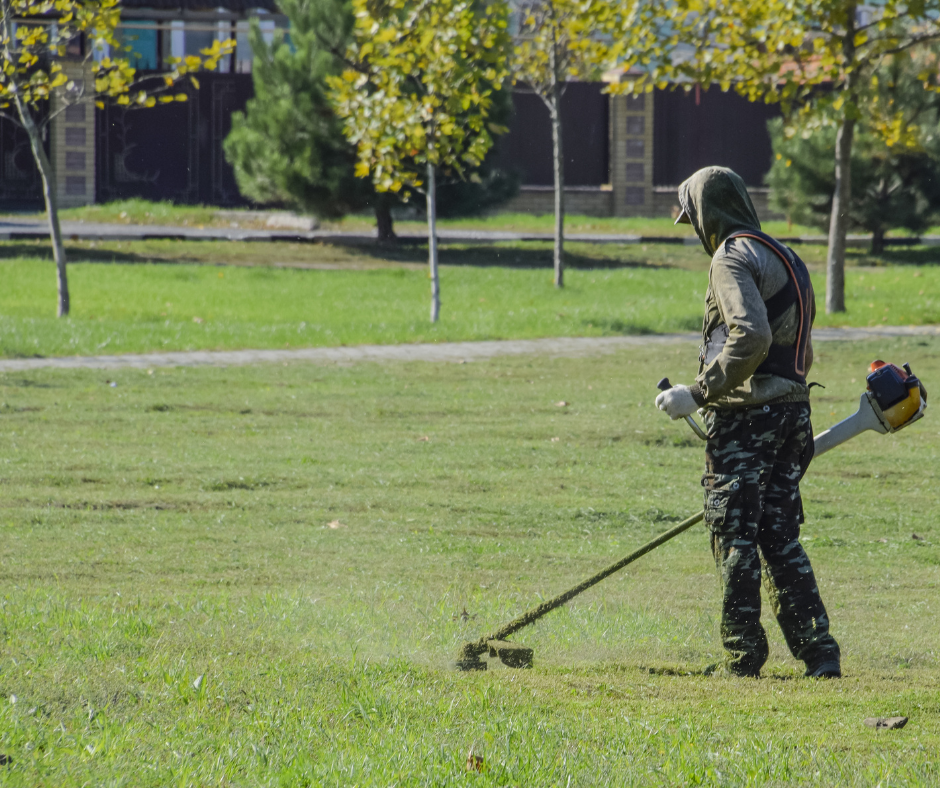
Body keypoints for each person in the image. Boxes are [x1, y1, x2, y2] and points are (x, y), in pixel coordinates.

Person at [654, 166, 841, 679]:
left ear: (706, 215)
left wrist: (695, 393)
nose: (694, 230)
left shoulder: (730, 257)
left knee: (733, 532)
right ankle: (819, 653)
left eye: (692, 218)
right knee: (779, 535)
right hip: (793, 414)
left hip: (747, 420)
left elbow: (752, 336)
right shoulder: (785, 255)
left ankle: (743, 658)